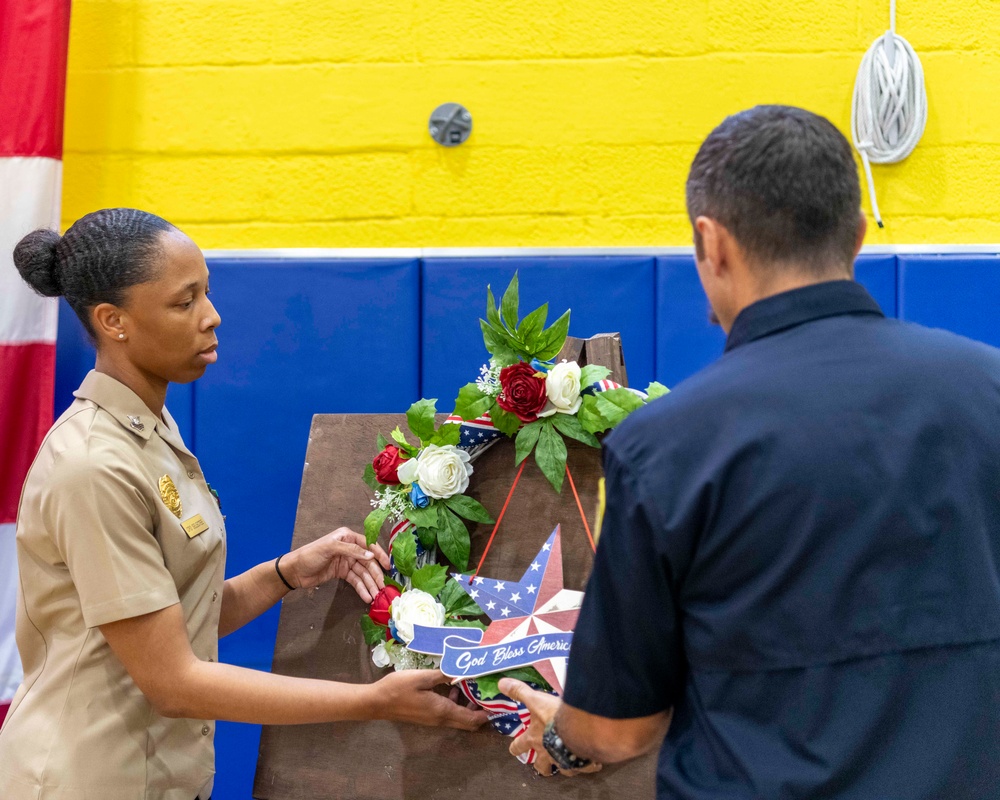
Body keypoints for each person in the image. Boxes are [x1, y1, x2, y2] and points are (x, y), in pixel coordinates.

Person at [501, 105, 1000, 798]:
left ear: (712, 244)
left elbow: (619, 730)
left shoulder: (668, 445)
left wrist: (565, 731)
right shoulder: (990, 389)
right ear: (856, 236)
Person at [0, 208, 486, 800]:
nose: (212, 316)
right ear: (113, 321)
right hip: (88, 779)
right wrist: (372, 701)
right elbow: (174, 681)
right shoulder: (94, 465)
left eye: (206, 291)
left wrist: (284, 574)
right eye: (185, 302)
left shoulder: (147, 433)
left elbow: (179, 621)